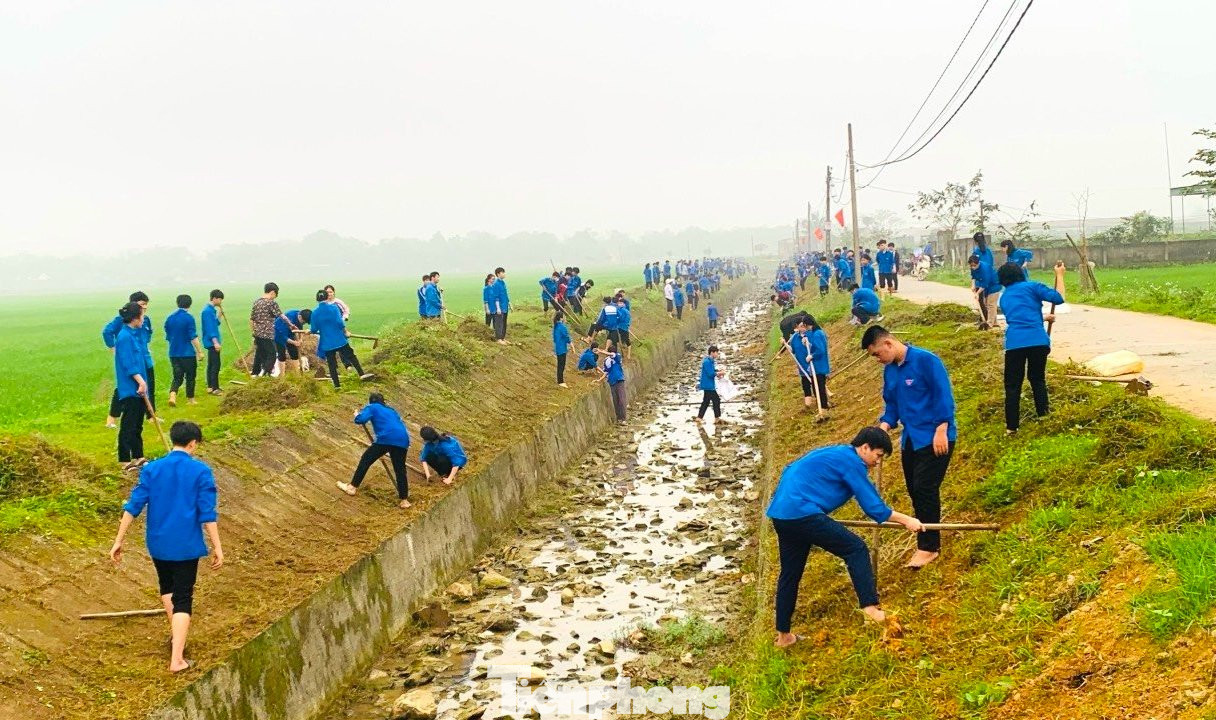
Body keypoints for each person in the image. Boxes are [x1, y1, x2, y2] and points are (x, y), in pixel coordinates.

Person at [766, 427, 923, 647]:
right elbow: (874, 508)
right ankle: (870, 609)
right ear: (865, 447)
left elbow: (790, 470)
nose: (878, 462)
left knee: (790, 575)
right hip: (803, 513)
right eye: (878, 455)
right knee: (856, 549)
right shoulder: (852, 462)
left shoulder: (837, 453)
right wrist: (907, 520)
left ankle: (784, 637)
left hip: (782, 515)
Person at [109, 420, 223, 673]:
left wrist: (119, 540)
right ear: (193, 444)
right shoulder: (201, 471)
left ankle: (176, 638)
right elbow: (207, 514)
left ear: (173, 440)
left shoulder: (151, 469)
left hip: (158, 543)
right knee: (183, 597)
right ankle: (177, 659)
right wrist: (217, 547)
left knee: (167, 587)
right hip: (186, 544)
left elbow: (133, 506)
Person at [862, 325, 957, 569]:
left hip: (935, 436)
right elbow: (892, 404)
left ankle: (928, 547)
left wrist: (942, 428)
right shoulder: (891, 371)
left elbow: (942, 395)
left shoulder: (926, 361)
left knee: (925, 488)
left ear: (888, 344)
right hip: (911, 439)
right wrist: (884, 426)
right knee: (915, 490)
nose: (878, 359)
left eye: (877, 354)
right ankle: (926, 537)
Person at [997, 262, 1065, 434]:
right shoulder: (1033, 287)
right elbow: (1058, 298)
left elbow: (1019, 317)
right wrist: (1059, 275)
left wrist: (1044, 318)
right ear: (1020, 273)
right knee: (1037, 379)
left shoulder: (1004, 298)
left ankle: (1012, 427)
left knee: (1013, 385)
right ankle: (1043, 416)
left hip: (1014, 344)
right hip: (1038, 342)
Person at [337, 393, 412, 508]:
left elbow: (361, 420)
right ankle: (404, 500)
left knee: (366, 460)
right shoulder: (391, 410)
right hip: (403, 440)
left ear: (371, 401)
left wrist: (357, 415)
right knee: (400, 470)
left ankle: (352, 487)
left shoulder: (372, 407)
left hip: (385, 439)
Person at [103, 291, 155, 427]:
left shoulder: (145, 320)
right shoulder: (122, 320)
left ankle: (151, 416)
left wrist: (146, 347)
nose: (145, 307)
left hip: (144, 359)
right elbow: (107, 331)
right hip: (130, 361)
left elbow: (147, 335)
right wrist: (113, 348)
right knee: (123, 389)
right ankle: (111, 418)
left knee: (149, 386)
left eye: (146, 304)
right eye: (142, 304)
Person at [113, 301, 149, 470]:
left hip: (140, 387)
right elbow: (128, 364)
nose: (144, 318)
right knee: (129, 424)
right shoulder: (124, 337)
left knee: (137, 424)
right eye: (142, 315)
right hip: (131, 388)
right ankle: (124, 459)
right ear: (135, 318)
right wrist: (140, 381)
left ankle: (138, 455)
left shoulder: (134, 334)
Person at [310, 289, 372, 388]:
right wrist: (346, 332)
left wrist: (310, 330)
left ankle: (337, 385)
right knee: (351, 356)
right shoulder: (334, 308)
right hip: (339, 339)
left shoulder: (315, 313)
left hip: (327, 343)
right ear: (327, 298)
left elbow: (313, 329)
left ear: (317, 299)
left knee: (331, 364)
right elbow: (340, 323)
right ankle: (361, 374)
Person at [164, 294, 204, 407]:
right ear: (189, 304)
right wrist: (200, 352)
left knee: (177, 376)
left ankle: (172, 395)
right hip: (187, 353)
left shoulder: (170, 318)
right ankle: (191, 399)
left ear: (177, 303)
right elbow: (193, 336)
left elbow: (168, 336)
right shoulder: (189, 318)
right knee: (190, 376)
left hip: (173, 353)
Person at [250, 283, 291, 377]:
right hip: (267, 334)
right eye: (275, 295)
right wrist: (291, 325)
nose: (274, 297)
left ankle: (255, 373)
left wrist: (253, 333)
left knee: (260, 353)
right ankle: (264, 374)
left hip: (257, 333)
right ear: (272, 292)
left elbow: (251, 319)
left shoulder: (256, 302)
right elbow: (281, 316)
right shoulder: (271, 303)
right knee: (272, 354)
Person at [791, 316, 830, 410]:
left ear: (806, 324)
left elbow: (820, 350)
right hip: (815, 366)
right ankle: (823, 406)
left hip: (819, 365)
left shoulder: (817, 334)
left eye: (804, 325)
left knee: (819, 389)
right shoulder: (816, 333)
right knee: (817, 388)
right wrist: (807, 344)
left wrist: (811, 356)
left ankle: (824, 408)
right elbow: (814, 347)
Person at [273, 308, 311, 376]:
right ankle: (282, 375)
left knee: (294, 353)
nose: (304, 323)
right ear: (300, 317)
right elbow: (283, 337)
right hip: (278, 334)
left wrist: (300, 339)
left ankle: (296, 374)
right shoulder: (288, 319)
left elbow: (299, 330)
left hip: (290, 333)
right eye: (304, 322)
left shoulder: (301, 315)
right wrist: (294, 342)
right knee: (282, 354)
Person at [968, 255, 1002, 330]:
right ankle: (995, 322)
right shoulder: (973, 267)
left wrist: (977, 293)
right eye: (971, 266)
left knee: (991, 304)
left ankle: (989, 324)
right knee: (986, 304)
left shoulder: (985, 269)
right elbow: (973, 277)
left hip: (994, 285)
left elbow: (984, 284)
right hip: (987, 287)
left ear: (978, 263)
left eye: (974, 265)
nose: (973, 267)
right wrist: (973, 285)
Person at [200, 290, 224, 395]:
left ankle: (210, 386)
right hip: (212, 342)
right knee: (215, 365)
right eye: (220, 299)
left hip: (211, 341)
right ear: (214, 298)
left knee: (211, 364)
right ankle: (215, 388)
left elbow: (215, 324)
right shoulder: (207, 311)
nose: (220, 302)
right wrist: (215, 342)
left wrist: (219, 315)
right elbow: (210, 329)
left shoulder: (211, 310)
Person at [598, 341, 627, 423]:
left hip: (619, 380)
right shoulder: (606, 360)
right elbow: (606, 372)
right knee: (615, 401)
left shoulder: (618, 356)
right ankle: (619, 418)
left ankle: (623, 418)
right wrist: (600, 379)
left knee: (621, 400)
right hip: (612, 381)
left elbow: (613, 355)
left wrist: (601, 351)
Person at [695, 345, 724, 423]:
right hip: (708, 385)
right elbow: (710, 374)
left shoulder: (710, 361)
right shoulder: (707, 362)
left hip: (708, 384)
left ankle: (699, 417)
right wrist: (719, 373)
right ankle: (717, 418)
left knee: (706, 401)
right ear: (712, 353)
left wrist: (717, 372)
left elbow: (712, 371)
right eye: (716, 353)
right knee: (716, 400)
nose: (717, 354)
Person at [491, 267, 511, 343]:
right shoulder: (496, 284)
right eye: (503, 272)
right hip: (499, 307)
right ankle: (498, 339)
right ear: (498, 274)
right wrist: (498, 308)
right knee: (499, 323)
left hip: (505, 306)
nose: (504, 274)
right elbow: (496, 297)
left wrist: (509, 303)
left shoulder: (503, 283)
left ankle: (503, 338)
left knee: (504, 322)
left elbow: (505, 294)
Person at [553, 311, 572, 387]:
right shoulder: (562, 327)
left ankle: (560, 380)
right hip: (562, 349)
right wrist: (571, 344)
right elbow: (566, 336)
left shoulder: (556, 326)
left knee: (560, 364)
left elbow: (555, 339)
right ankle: (560, 381)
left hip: (558, 348)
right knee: (561, 365)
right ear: (561, 318)